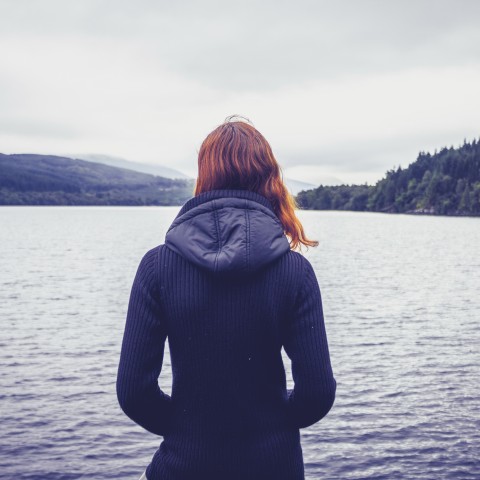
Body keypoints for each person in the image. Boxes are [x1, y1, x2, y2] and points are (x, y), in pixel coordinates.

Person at [116, 116, 337, 480]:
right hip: (274, 467)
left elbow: (133, 392)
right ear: (268, 179)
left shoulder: (156, 267)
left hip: (184, 466)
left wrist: (188, 429)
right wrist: (272, 427)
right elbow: (317, 393)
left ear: (204, 177)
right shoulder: (295, 272)